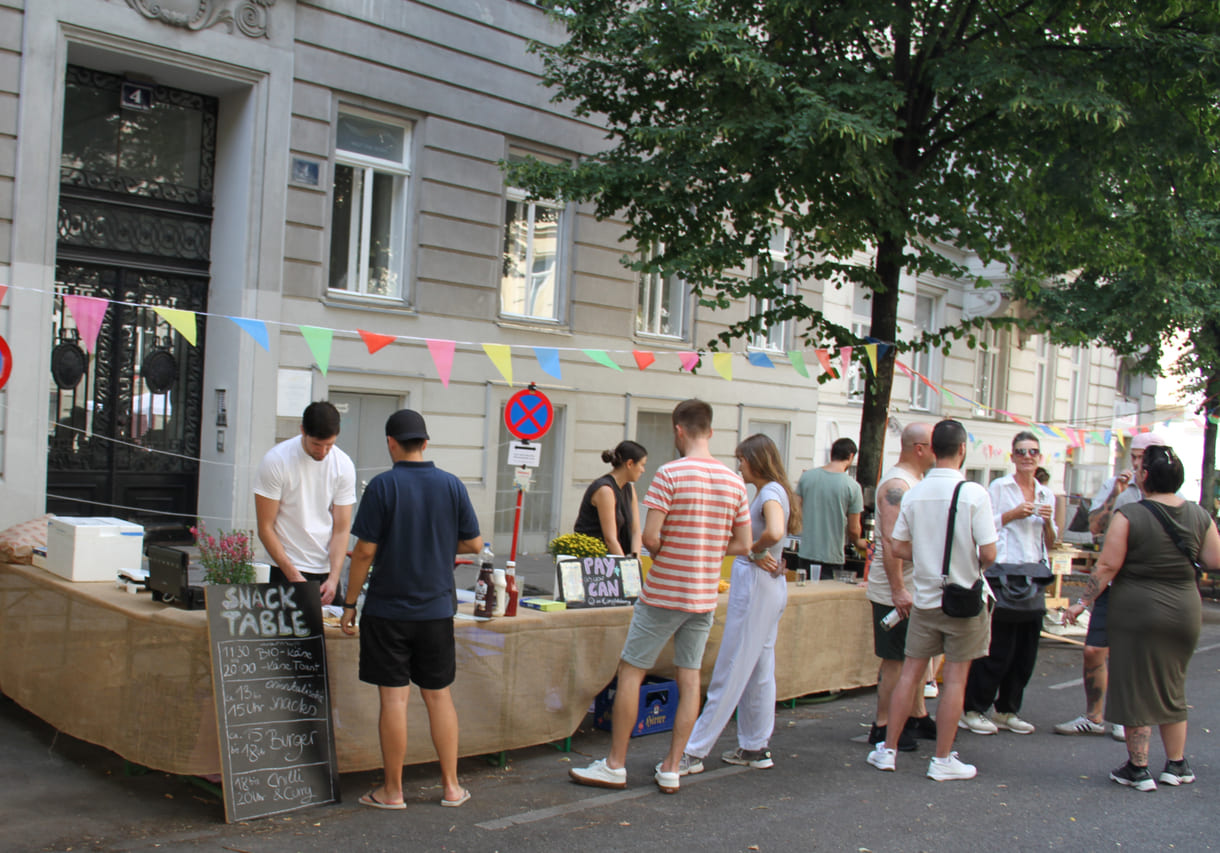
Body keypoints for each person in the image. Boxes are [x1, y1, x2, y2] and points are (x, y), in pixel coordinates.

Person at [569, 399, 751, 794]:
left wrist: (674, 545)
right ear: (711, 431)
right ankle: (672, 767)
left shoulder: (670, 475)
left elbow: (650, 538)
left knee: (631, 671)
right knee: (689, 679)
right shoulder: (734, 481)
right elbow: (745, 542)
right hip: (703, 596)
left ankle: (615, 764)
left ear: (678, 430)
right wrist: (708, 548)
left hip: (665, 591)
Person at [339, 409, 483, 809]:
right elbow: (474, 544)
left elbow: (365, 551)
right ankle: (452, 787)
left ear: (391, 443)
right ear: (425, 442)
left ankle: (393, 791)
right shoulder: (452, 485)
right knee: (440, 697)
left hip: (388, 611)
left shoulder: (383, 487)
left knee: (395, 700)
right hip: (437, 610)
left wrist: (349, 604)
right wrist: (436, 544)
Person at [1068, 444, 1219, 791]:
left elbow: (1107, 566)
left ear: (1146, 475)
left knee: (1136, 685)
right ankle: (1177, 764)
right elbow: (1214, 559)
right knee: (1172, 684)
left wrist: (1081, 603)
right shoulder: (1199, 514)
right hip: (1184, 607)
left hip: (1138, 609)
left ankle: (1138, 768)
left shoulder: (1130, 515)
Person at [867, 419, 997, 782]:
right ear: (962, 449)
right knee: (954, 678)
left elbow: (898, 546)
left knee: (910, 672)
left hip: (924, 598)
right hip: (964, 598)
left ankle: (888, 749)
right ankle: (942, 758)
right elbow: (989, 552)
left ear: (933, 449)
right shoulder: (974, 494)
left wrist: (927, 555)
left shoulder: (915, 493)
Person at [679, 434, 800, 774]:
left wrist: (755, 549)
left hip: (757, 586)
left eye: (742, 460)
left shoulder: (769, 493)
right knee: (760, 667)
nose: (739, 466)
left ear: (756, 461)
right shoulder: (775, 491)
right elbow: (777, 533)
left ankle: (693, 751)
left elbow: (774, 531)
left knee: (731, 667)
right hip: (768, 587)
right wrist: (764, 549)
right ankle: (755, 745)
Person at [1056, 432, 1168, 740]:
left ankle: (1124, 714)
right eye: (1132, 455)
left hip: (1144, 587)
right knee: (1093, 650)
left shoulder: (1166, 489)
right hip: (1111, 582)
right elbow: (1093, 528)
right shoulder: (1118, 487)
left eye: (1142, 456)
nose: (1135, 462)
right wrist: (1114, 496)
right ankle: (1094, 716)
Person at [960, 431, 1057, 736]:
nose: (1027, 457)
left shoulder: (1046, 494)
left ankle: (1008, 709)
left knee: (1026, 650)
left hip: (1033, 573)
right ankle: (974, 708)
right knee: (998, 647)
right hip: (1003, 571)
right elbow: (985, 525)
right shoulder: (1000, 487)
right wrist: (1013, 515)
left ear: (1039, 458)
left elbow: (1052, 541)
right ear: (1013, 457)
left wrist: (1047, 522)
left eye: (1033, 452)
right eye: (1021, 451)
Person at [865, 422, 936, 751]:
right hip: (896, 587)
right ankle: (883, 725)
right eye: (935, 445)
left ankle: (916, 714)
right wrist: (898, 590)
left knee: (917, 655)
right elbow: (892, 542)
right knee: (896, 659)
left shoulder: (916, 481)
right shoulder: (897, 485)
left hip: (914, 585)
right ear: (919, 448)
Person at [254, 401, 356, 606]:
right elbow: (265, 527)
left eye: (330, 444)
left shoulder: (343, 465)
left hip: (326, 571)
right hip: (283, 567)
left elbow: (341, 529)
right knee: (284, 637)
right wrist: (293, 575)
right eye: (317, 445)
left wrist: (334, 578)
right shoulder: (276, 460)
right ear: (302, 431)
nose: (323, 451)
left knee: (330, 637)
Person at [797, 437, 867, 579]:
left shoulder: (807, 477)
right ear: (851, 456)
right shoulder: (852, 487)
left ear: (832, 454)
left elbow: (794, 510)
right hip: (832, 557)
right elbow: (854, 529)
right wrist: (858, 542)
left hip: (805, 553)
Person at [573, 440, 648, 555]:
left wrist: (635, 558)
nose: (643, 470)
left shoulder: (630, 489)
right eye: (642, 465)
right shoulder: (605, 490)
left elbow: (636, 530)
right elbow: (610, 539)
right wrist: (625, 567)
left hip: (616, 558)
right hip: (595, 560)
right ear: (630, 464)